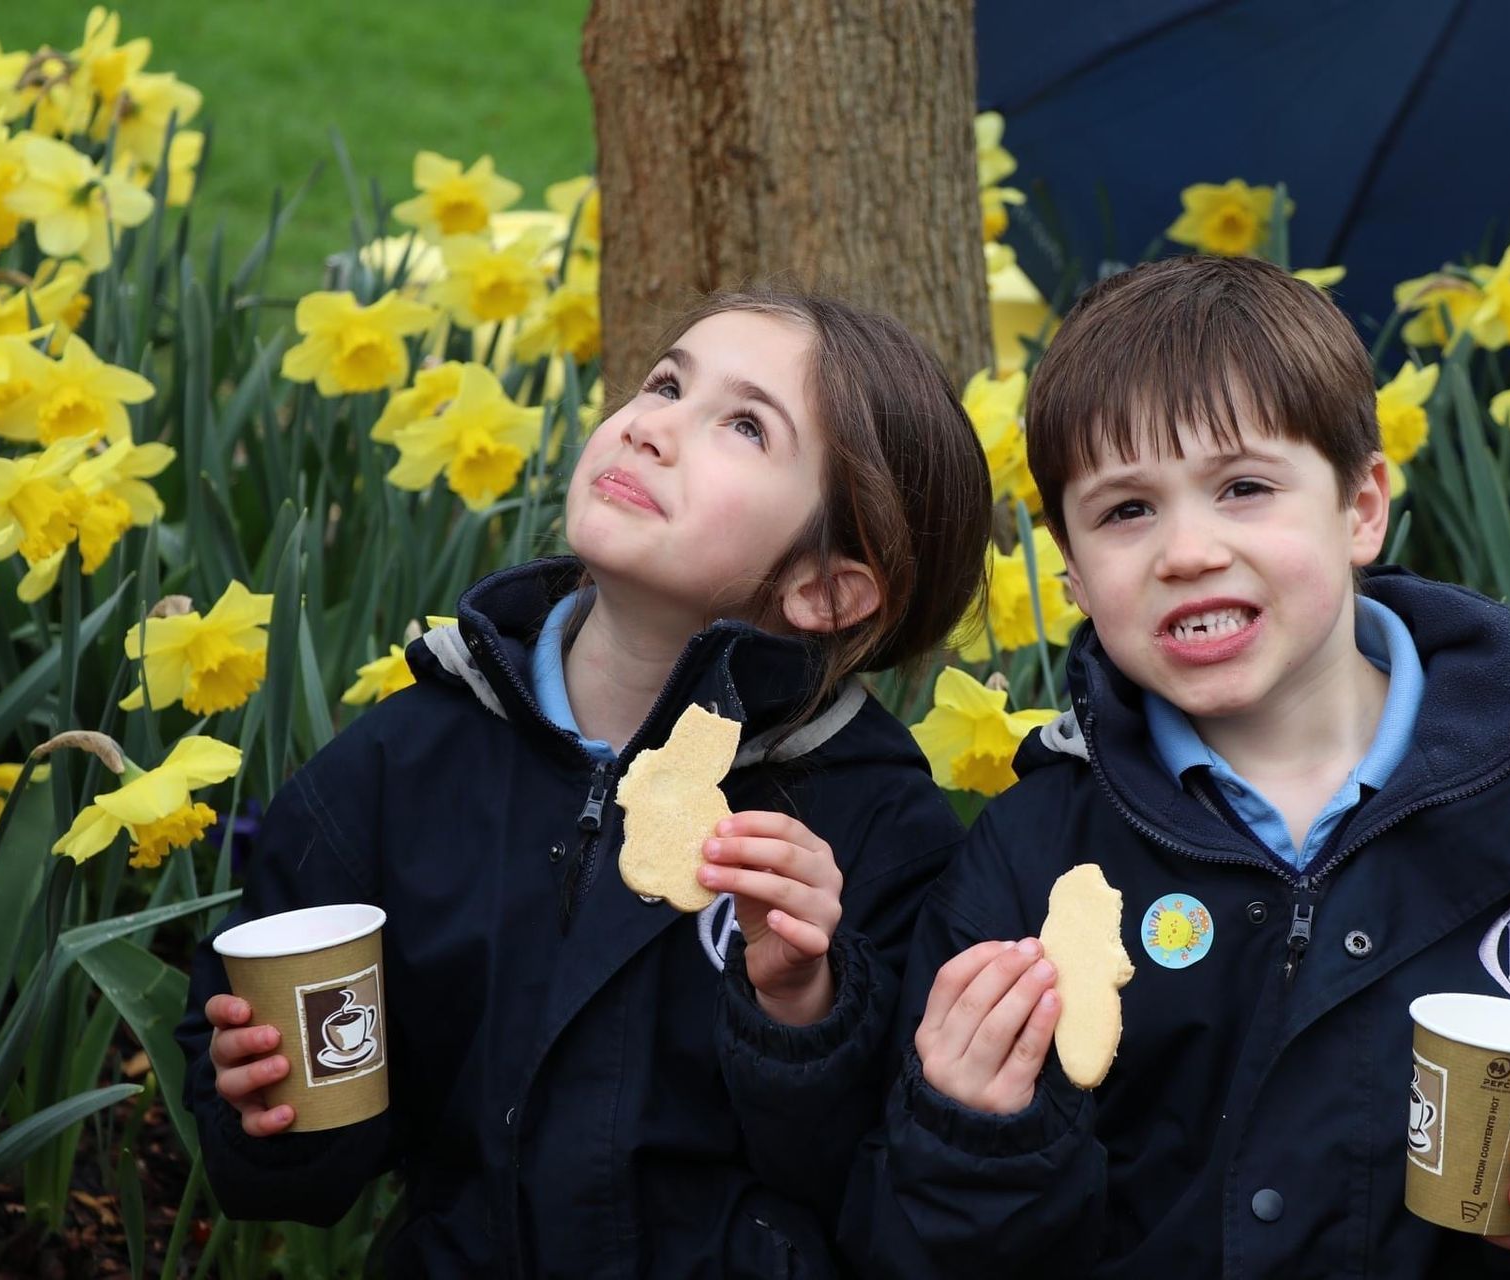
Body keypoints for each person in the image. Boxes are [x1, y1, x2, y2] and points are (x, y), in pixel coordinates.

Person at [840, 255, 1510, 1276]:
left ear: (1362, 506)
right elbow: (904, 1240)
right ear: (1070, 572)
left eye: (1244, 487)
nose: (1188, 550)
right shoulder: (1032, 860)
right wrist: (972, 1136)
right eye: (1126, 510)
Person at [175, 287, 993, 1276]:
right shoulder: (409, 758)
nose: (651, 427)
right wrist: (265, 1104)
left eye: (742, 425)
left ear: (824, 588)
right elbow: (292, 1180)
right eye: (664, 383)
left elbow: (878, 1186)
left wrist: (804, 1006)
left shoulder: (869, 822)